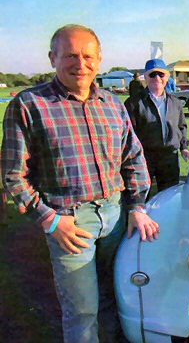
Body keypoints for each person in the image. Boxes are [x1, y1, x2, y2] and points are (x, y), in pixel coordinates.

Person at [0, 24, 159, 342]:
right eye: (70, 55)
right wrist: (51, 220)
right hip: (70, 223)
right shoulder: (30, 105)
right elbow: (12, 175)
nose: (80, 63)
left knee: (118, 301)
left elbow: (134, 159)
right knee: (82, 312)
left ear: (100, 60)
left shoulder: (113, 105)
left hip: (115, 219)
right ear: (52, 58)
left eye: (88, 55)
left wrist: (138, 206)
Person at [125, 58, 189, 193]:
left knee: (169, 198)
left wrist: (184, 147)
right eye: (152, 74)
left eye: (161, 74)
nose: (157, 78)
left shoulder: (175, 102)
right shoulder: (134, 103)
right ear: (145, 77)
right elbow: (128, 133)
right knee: (143, 199)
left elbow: (181, 127)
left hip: (169, 158)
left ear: (166, 77)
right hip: (145, 158)